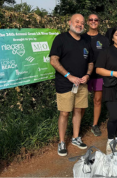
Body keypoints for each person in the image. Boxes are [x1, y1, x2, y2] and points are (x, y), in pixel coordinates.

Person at [49, 14, 94, 156]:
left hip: (81, 84)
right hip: (65, 83)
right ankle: (62, 141)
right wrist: (69, 76)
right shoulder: (61, 39)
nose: (79, 24)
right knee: (64, 112)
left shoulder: (86, 41)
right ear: (70, 22)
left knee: (78, 110)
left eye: (82, 22)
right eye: (77, 22)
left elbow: (91, 62)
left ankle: (75, 137)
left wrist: (87, 75)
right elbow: (54, 60)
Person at [82, 14, 110, 137]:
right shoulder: (81, 38)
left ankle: (94, 124)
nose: (93, 21)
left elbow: (109, 57)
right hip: (83, 75)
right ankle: (79, 125)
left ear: (99, 22)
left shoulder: (104, 40)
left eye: (96, 20)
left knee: (97, 100)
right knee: (81, 102)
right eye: (91, 20)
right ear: (87, 22)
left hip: (98, 75)